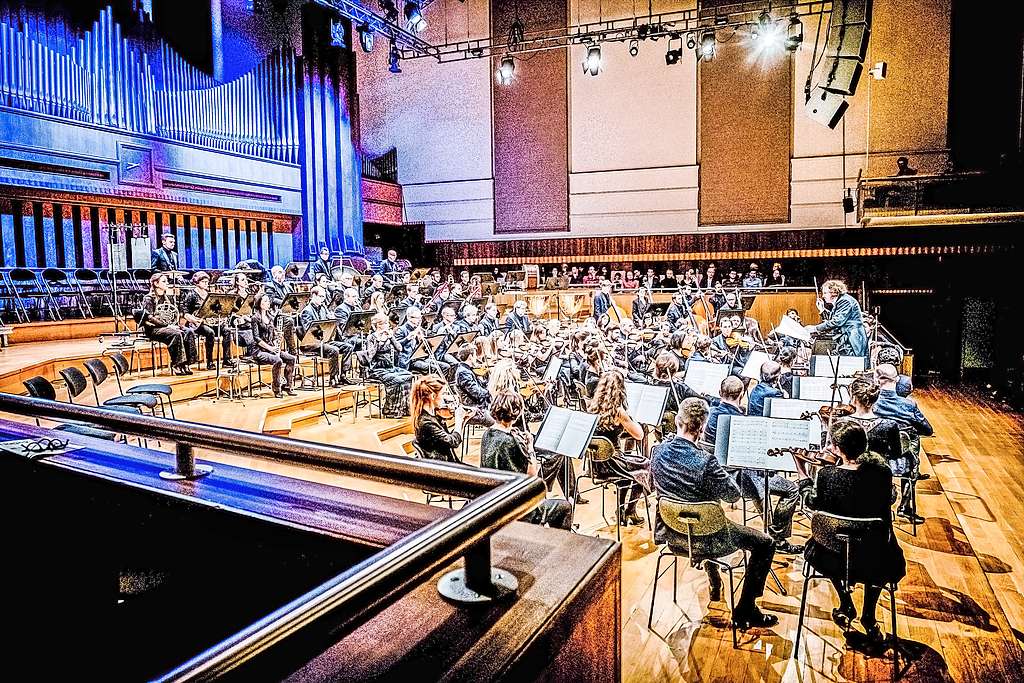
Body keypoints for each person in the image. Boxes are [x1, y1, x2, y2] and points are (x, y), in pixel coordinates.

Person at [650, 397, 779, 628]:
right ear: (702, 428)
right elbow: (732, 495)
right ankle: (745, 610)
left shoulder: (657, 451)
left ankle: (715, 581)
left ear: (678, 421)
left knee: (701, 515)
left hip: (673, 534)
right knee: (766, 543)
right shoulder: (706, 461)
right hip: (708, 538)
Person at [804, 420, 906, 645]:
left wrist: (805, 476)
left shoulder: (826, 475)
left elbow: (812, 502)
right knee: (881, 545)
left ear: (838, 449)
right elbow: (889, 500)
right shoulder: (881, 474)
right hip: (877, 556)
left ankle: (845, 603)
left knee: (822, 541)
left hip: (832, 557)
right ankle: (868, 616)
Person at [480, 391, 573, 530]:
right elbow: (532, 477)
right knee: (565, 507)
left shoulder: (487, 434)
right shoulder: (511, 442)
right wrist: (530, 447)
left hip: (493, 501)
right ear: (516, 413)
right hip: (516, 508)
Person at [587, 370, 650, 526]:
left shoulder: (592, 407)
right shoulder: (619, 412)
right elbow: (639, 435)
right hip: (614, 462)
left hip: (597, 464)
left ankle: (621, 510)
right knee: (646, 466)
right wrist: (630, 417)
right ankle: (630, 510)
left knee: (632, 471)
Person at [873, 363, 932, 523]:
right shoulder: (909, 405)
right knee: (911, 441)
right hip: (902, 462)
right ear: (897, 379)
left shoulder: (871, 403)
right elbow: (928, 430)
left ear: (876, 379)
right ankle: (905, 507)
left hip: (874, 461)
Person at [139, 273, 196, 375]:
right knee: (176, 334)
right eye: (164, 281)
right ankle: (176, 364)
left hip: (169, 326)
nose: (167, 283)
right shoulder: (148, 298)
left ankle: (186, 363)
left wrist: (175, 324)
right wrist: (167, 325)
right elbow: (149, 319)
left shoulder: (169, 298)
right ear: (156, 284)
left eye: (167, 281)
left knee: (189, 331)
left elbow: (174, 314)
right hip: (153, 329)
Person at [362, 313, 413, 418]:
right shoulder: (371, 338)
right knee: (397, 380)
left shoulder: (389, 335)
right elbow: (370, 356)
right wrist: (379, 341)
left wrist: (391, 338)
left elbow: (399, 348)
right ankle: (390, 409)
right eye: (385, 323)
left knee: (408, 376)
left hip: (390, 367)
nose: (388, 325)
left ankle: (404, 408)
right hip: (376, 369)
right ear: (378, 325)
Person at [180, 271, 233, 370]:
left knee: (227, 330)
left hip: (211, 321)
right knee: (210, 332)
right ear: (197, 282)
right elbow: (185, 312)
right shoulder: (191, 294)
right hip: (197, 324)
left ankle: (226, 360)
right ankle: (209, 361)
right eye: (203, 281)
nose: (206, 283)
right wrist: (194, 319)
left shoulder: (209, 294)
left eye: (207, 281)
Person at [248, 292, 297, 398]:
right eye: (265, 301)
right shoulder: (255, 318)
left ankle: (287, 386)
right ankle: (276, 388)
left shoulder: (270, 317)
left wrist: (277, 338)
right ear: (259, 303)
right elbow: (256, 338)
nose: (268, 303)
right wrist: (270, 348)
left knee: (291, 358)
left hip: (270, 348)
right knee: (277, 360)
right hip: (259, 350)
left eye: (268, 300)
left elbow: (273, 333)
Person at [298, 285, 345, 387]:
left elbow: (328, 325)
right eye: (321, 297)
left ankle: (343, 375)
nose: (323, 300)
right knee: (334, 350)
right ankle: (333, 379)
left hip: (325, 340)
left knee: (347, 347)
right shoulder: (307, 311)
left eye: (324, 297)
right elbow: (309, 331)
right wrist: (325, 326)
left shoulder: (323, 308)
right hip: (311, 343)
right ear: (313, 295)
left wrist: (332, 320)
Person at [806, 280, 868, 357]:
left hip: (852, 339)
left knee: (853, 364)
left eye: (825, 293)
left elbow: (836, 322)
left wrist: (815, 328)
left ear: (834, 292)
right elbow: (833, 319)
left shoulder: (845, 301)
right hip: (848, 337)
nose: (823, 296)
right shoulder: (840, 301)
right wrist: (822, 310)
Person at [411, 374, 465, 462]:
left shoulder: (433, 415)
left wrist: (464, 420)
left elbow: (447, 438)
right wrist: (458, 421)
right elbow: (453, 442)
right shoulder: (426, 423)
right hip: (442, 467)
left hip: (446, 462)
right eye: (443, 394)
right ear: (432, 396)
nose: (445, 398)